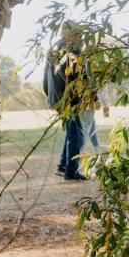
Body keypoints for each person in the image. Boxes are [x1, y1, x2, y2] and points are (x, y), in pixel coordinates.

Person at [44, 25, 88, 181]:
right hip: (70, 99)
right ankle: (71, 172)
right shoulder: (74, 51)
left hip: (56, 98)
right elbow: (79, 76)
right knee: (77, 135)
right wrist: (88, 96)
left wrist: (50, 96)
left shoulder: (52, 50)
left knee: (71, 132)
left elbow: (45, 78)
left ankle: (63, 166)